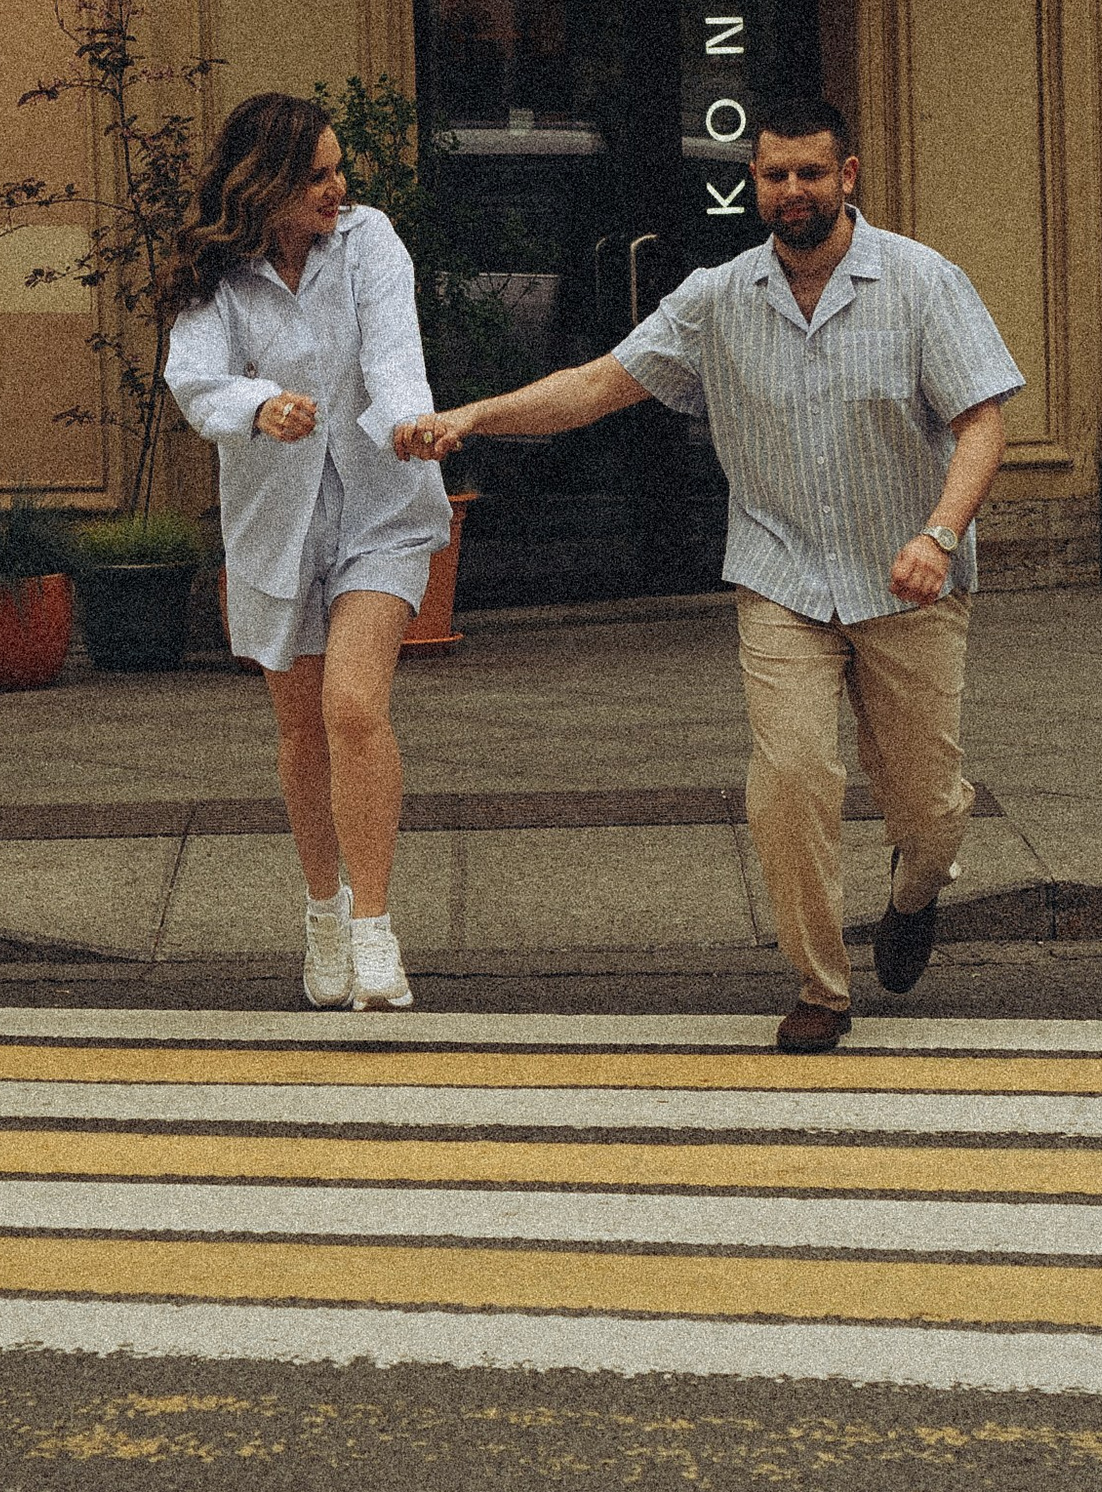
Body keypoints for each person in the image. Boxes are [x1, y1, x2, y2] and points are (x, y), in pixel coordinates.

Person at [397, 98, 1021, 1050]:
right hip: (781, 575)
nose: (792, 190)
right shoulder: (718, 297)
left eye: (811, 173)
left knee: (927, 805)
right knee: (791, 776)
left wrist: (938, 535)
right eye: (775, 175)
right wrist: (475, 417)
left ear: (848, 176)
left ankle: (916, 888)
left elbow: (982, 423)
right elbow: (599, 383)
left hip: (908, 579)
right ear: (754, 182)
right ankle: (821, 987)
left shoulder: (922, 281)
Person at [164, 93, 450, 1013]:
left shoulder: (370, 242)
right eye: (318, 176)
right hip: (275, 523)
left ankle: (373, 926)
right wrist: (260, 406)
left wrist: (406, 420)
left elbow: (395, 352)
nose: (338, 189)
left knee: (353, 706)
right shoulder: (217, 273)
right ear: (266, 185)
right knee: (300, 733)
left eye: (338, 170)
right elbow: (194, 379)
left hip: (380, 507)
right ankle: (322, 914)